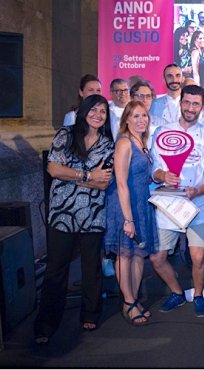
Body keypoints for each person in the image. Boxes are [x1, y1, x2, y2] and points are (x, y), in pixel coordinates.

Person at [34, 94, 114, 343]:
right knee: (56, 268)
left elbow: (104, 183)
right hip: (62, 214)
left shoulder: (108, 144)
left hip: (93, 214)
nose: (98, 115)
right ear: (83, 111)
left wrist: (76, 175)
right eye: (94, 109)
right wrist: (88, 175)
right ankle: (46, 324)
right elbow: (53, 168)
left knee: (92, 269)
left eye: (103, 111)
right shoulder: (65, 134)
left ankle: (90, 313)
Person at [150, 84, 204, 317]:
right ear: (180, 103)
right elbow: (154, 166)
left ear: (202, 107)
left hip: (196, 205)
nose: (191, 108)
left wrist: (199, 190)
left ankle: (199, 295)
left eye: (196, 104)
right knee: (157, 257)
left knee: (198, 256)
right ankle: (177, 292)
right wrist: (162, 175)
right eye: (187, 102)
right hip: (168, 203)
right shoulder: (162, 132)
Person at [103, 101, 159, 326]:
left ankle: (133, 300)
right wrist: (128, 219)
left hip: (141, 204)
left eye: (144, 115)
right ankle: (128, 302)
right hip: (124, 205)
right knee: (124, 255)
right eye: (135, 116)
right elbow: (121, 182)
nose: (141, 120)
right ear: (126, 119)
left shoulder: (142, 142)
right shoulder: (125, 143)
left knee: (137, 255)